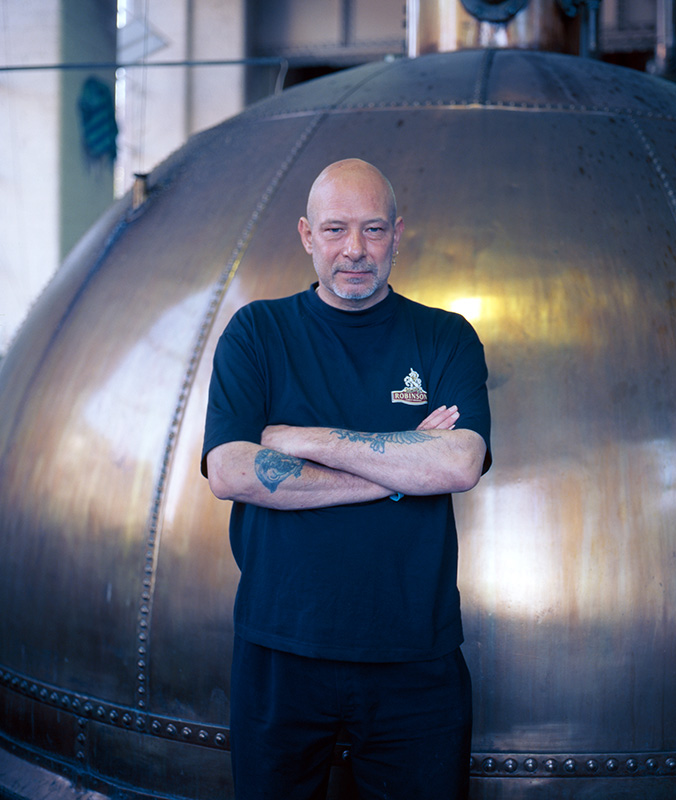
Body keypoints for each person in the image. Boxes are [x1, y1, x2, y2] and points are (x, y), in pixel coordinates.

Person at [202, 158, 492, 800]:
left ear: (398, 233)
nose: (355, 250)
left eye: (373, 230)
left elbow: (458, 463)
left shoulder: (445, 337)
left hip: (414, 657)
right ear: (307, 235)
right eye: (335, 230)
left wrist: (303, 438)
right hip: (280, 649)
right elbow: (230, 471)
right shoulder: (257, 334)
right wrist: (402, 468)